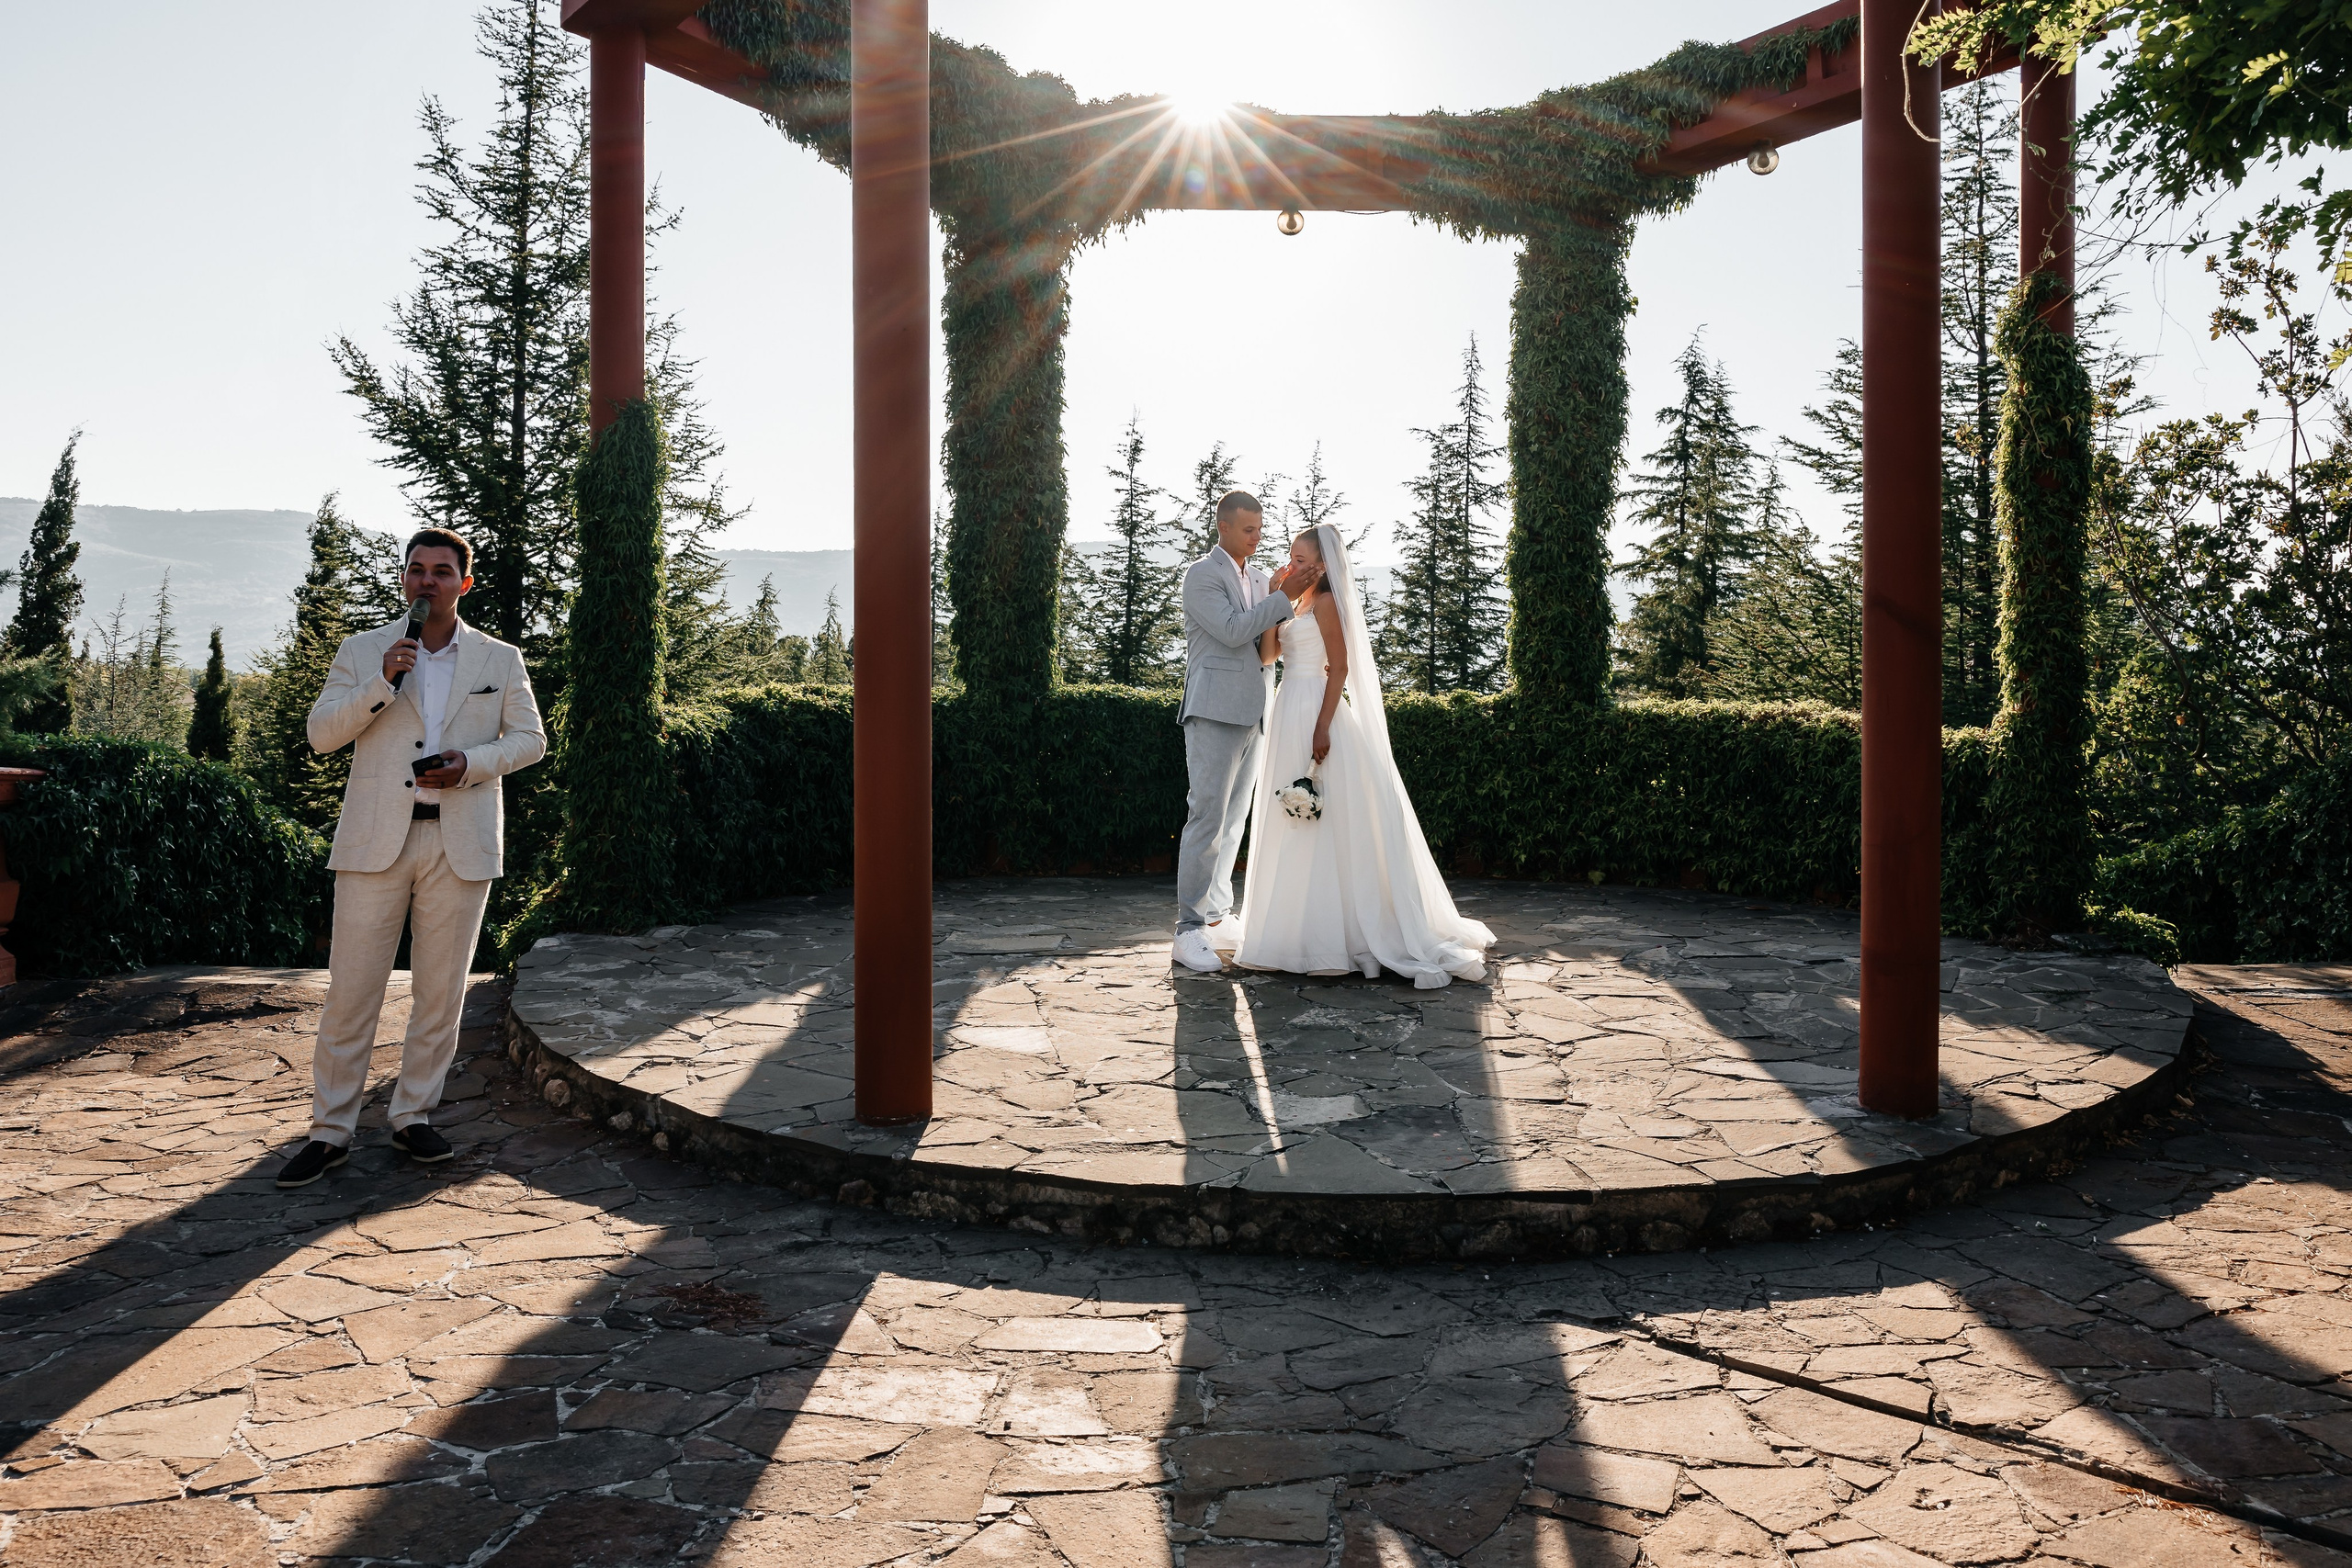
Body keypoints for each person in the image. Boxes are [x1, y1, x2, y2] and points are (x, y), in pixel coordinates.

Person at [274, 528, 546, 1190]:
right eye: (417, 569)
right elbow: (321, 735)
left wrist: (471, 763)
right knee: (351, 992)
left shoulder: (499, 658)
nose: (428, 580)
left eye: (442, 571)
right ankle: (330, 1131)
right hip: (374, 843)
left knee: (440, 994)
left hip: (460, 841)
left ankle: (413, 1114)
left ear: (464, 583)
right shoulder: (364, 650)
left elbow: (531, 740)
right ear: (404, 579)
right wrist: (382, 682)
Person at [1234, 523, 1492, 987]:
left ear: (1322, 565)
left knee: (1329, 822)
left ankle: (1338, 937)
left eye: (1301, 559)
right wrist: (1274, 598)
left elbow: (1340, 668)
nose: (1292, 565)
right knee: (1290, 821)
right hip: (1286, 707)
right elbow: (1267, 657)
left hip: (1317, 710)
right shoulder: (1293, 602)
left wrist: (1322, 726)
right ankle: (1289, 934)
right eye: (1290, 557)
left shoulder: (1327, 603)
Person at [1171, 491, 1323, 974]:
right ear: (1224, 528)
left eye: (1260, 528)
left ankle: (1217, 915)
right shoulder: (1201, 575)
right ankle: (1188, 929)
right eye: (1248, 529)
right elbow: (1233, 630)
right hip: (1213, 711)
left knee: (1234, 821)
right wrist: (1282, 597)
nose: (1257, 537)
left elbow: (1263, 649)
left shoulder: (1261, 580)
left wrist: (1287, 599)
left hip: (1257, 713)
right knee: (1206, 817)